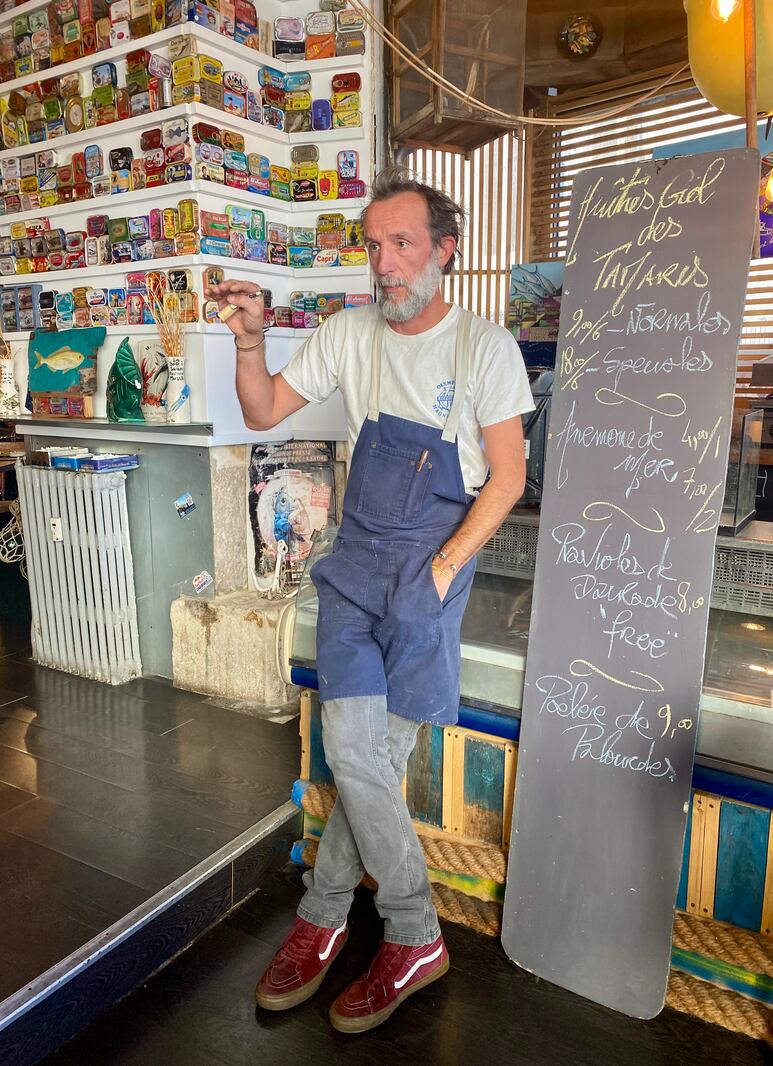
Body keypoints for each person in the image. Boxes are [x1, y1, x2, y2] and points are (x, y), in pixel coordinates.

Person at [212, 167, 533, 1034]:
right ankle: (414, 933)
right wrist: (250, 344)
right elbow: (265, 407)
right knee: (357, 753)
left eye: (402, 244)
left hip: (430, 570)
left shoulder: (485, 348)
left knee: (364, 763)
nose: (385, 265)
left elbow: (508, 477)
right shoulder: (349, 332)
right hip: (355, 569)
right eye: (374, 246)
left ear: (444, 252)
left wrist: (442, 570)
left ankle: (319, 921)